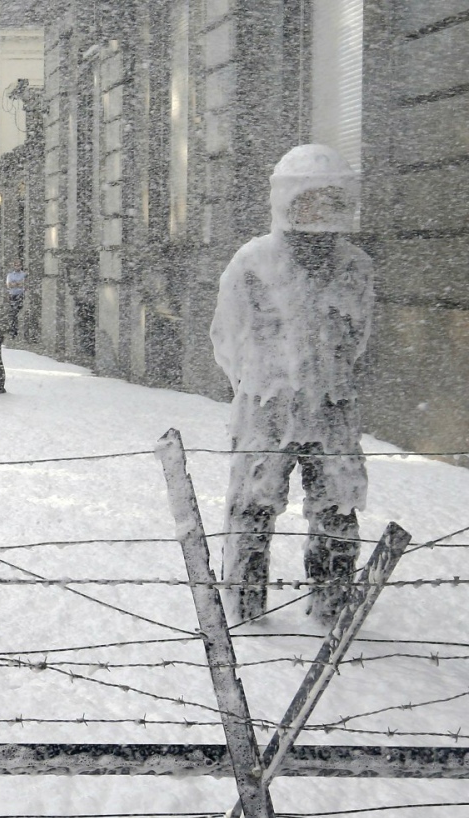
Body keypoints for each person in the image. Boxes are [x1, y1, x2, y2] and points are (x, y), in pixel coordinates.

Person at [212, 144, 374, 624]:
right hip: (267, 407)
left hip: (333, 406)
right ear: (287, 201)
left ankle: (331, 604)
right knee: (253, 506)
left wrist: (325, 376)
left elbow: (358, 335)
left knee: (337, 507)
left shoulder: (355, 266)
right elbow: (228, 336)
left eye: (330, 202)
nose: (319, 213)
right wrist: (260, 383)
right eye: (310, 202)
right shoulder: (252, 262)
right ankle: (245, 604)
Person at [5, 261, 26, 339]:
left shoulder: (24, 274)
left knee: (15, 312)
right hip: (12, 295)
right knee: (13, 313)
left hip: (20, 295)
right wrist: (17, 284)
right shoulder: (10, 275)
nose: (17, 267)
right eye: (16, 265)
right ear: (14, 266)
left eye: (19, 265)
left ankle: (14, 330)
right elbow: (8, 285)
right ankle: (13, 330)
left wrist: (15, 284)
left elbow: (24, 284)